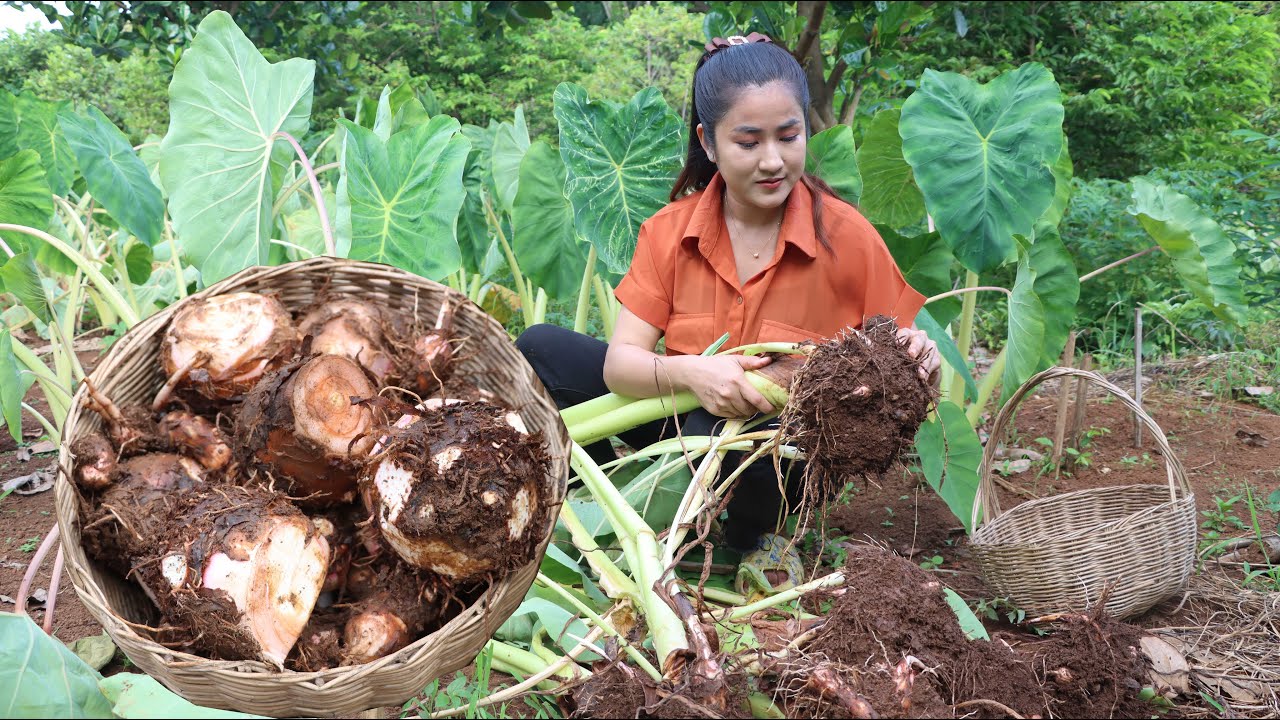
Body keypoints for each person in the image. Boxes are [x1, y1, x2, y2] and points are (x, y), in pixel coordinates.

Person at [517, 33, 940, 595]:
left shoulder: (846, 236)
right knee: (542, 351)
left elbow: (905, 359)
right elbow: (622, 365)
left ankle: (754, 538)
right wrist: (694, 372)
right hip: (685, 419)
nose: (773, 160)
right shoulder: (670, 232)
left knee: (716, 433)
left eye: (789, 137)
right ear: (709, 143)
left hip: (777, 453)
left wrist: (921, 359)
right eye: (748, 142)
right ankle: (598, 512)